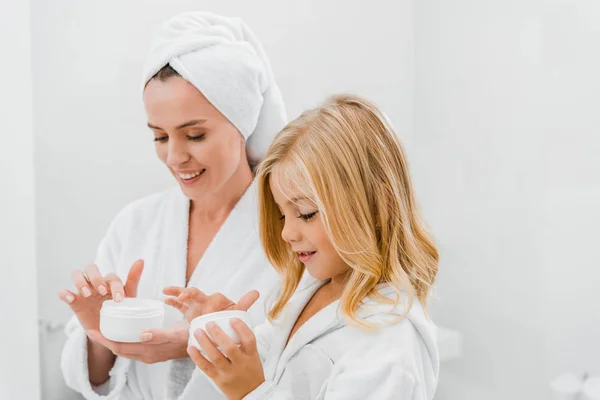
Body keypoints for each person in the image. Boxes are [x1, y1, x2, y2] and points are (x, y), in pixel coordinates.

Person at [58, 11, 287, 400]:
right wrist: (100, 334)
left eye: (194, 135)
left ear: (242, 120)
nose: (174, 157)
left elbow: (305, 368)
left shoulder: (291, 231)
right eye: (160, 137)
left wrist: (195, 343)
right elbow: (92, 376)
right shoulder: (136, 223)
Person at [168, 95, 440, 399]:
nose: (286, 233)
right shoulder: (314, 290)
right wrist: (229, 333)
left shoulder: (390, 345)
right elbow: (279, 370)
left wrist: (250, 391)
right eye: (283, 215)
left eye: (306, 213)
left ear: (373, 207)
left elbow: (263, 386)